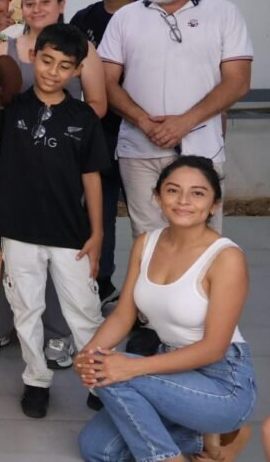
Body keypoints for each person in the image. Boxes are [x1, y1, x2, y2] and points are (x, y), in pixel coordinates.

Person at [77, 156, 256, 462]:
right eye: (173, 190)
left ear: (214, 204)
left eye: (197, 193)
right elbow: (124, 313)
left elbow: (213, 348)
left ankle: (166, 457)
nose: (183, 201)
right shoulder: (146, 243)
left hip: (222, 382)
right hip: (168, 369)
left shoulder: (226, 258)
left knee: (113, 372)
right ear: (158, 197)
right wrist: (88, 353)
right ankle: (209, 436)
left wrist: (131, 367)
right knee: (96, 448)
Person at [98, 0, 252, 238]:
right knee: (148, 241)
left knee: (201, 242)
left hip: (202, 149)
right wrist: (143, 121)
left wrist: (184, 122)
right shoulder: (125, 18)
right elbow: (105, 80)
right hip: (139, 150)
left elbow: (238, 81)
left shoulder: (224, 13)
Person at [0, 24, 108, 419]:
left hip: (70, 233)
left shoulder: (84, 118)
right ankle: (36, 380)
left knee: (85, 312)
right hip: (18, 231)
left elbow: (92, 178)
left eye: (64, 66)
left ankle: (98, 380)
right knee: (26, 310)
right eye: (46, 61)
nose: (53, 72)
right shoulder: (9, 109)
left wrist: (97, 233)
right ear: (32, 57)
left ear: (77, 70)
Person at [69, 0, 143, 305]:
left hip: (145, 130)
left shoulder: (151, 13)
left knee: (148, 214)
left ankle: (149, 290)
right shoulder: (82, 19)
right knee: (98, 212)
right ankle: (101, 282)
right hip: (97, 129)